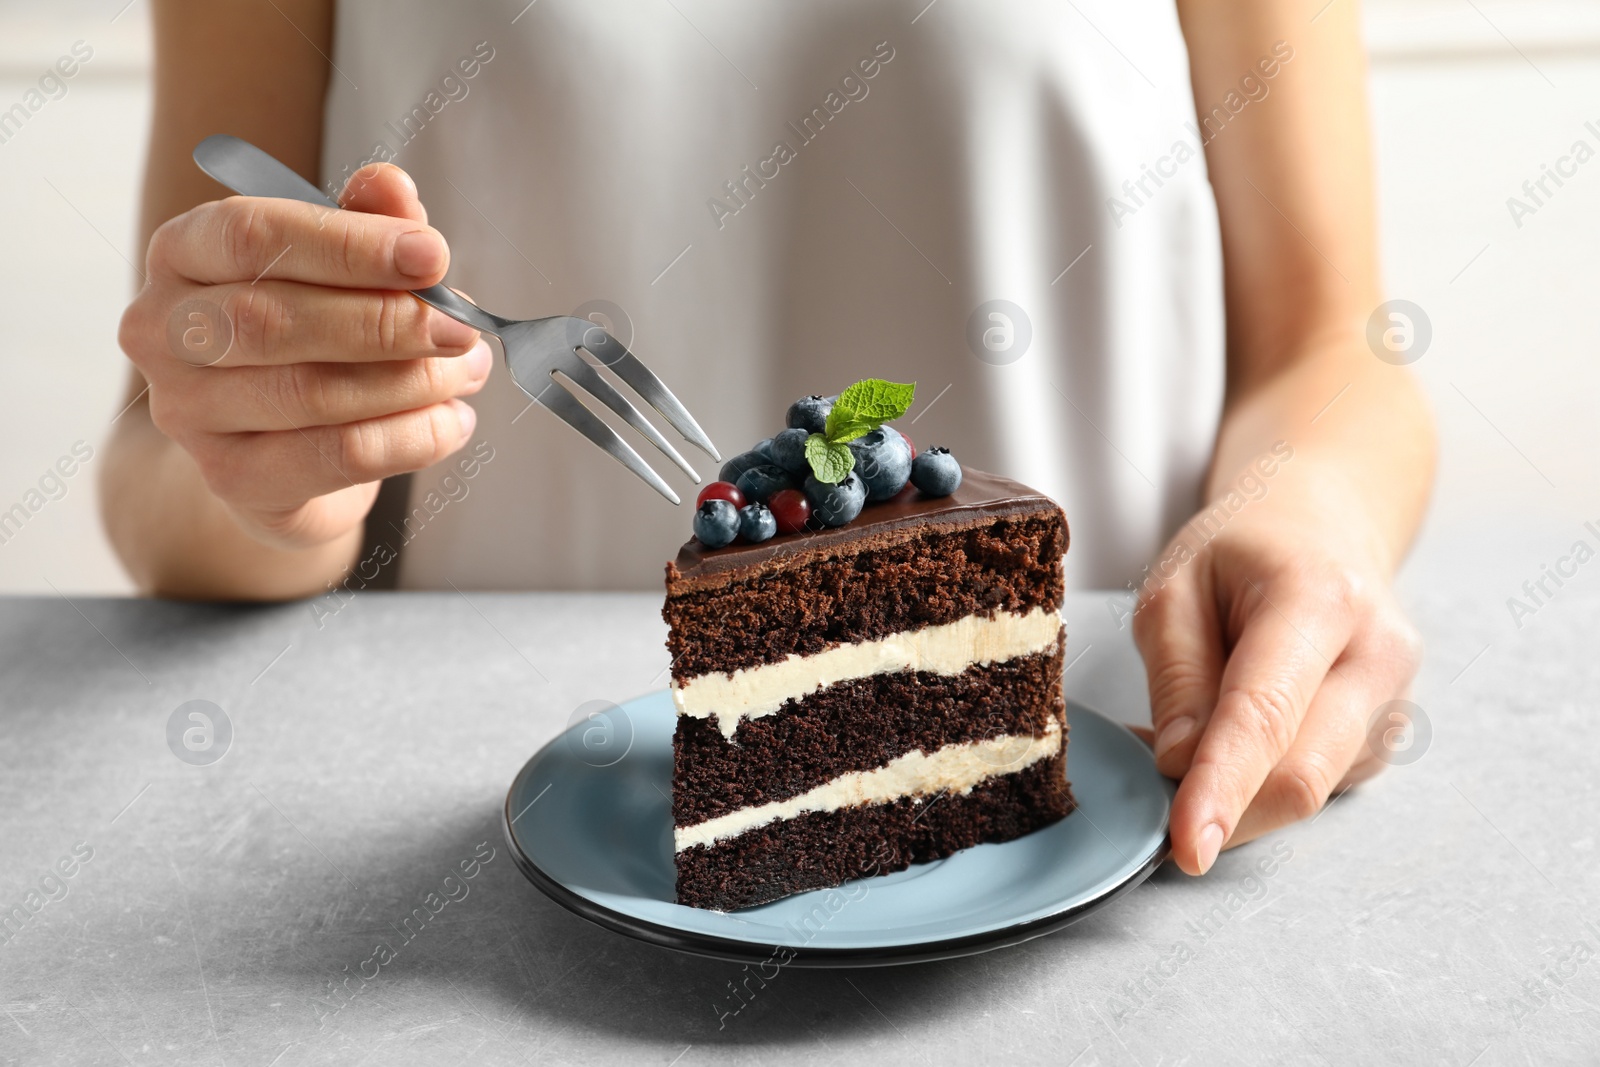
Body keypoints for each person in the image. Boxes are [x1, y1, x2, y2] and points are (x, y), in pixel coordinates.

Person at [102, 0, 1434, 877]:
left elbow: (1332, 350)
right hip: (476, 874)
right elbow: (155, 475)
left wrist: (1311, 505)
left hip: (1120, 829)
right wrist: (277, 488)